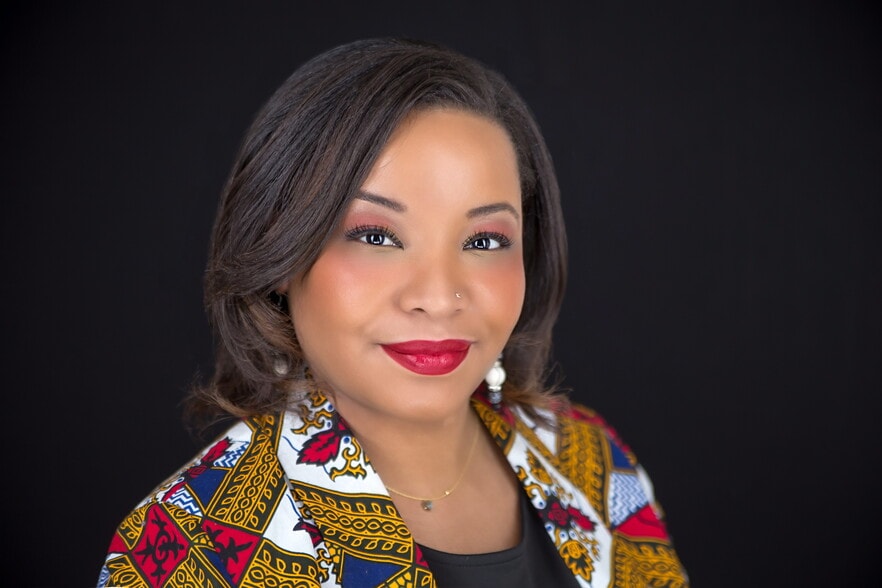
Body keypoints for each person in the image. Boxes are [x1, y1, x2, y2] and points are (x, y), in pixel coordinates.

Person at [98, 37, 689, 588]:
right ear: (280, 251)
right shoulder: (188, 546)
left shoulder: (591, 461)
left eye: (484, 240)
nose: (438, 295)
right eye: (376, 236)